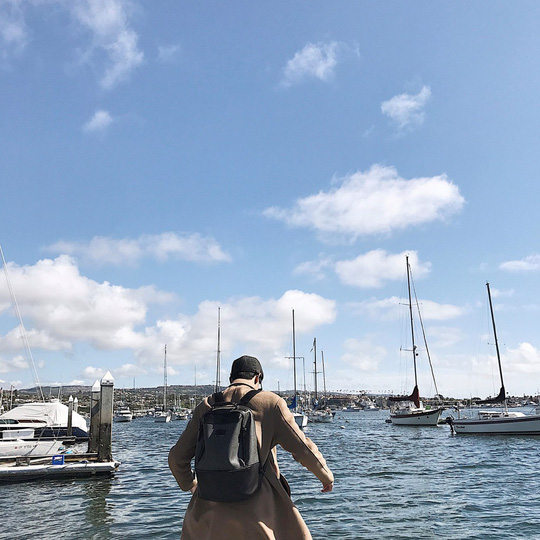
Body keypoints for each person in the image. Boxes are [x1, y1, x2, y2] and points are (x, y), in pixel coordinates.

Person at [168, 355, 334, 539]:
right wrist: (325, 476)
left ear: (231, 378)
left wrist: (191, 485)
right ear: (257, 378)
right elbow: (302, 448)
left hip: (207, 515)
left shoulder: (206, 405)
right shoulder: (270, 403)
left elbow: (177, 458)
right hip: (257, 513)